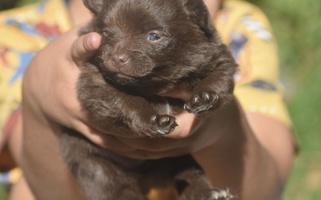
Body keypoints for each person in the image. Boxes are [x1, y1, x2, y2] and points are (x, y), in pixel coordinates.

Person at [0, 0, 297, 199]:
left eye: (153, 36)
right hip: (84, 181)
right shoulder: (12, 37)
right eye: (112, 34)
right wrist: (37, 97)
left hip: (185, 172)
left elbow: (265, 189)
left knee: (192, 174)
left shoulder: (238, 29)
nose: (120, 53)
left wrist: (224, 127)